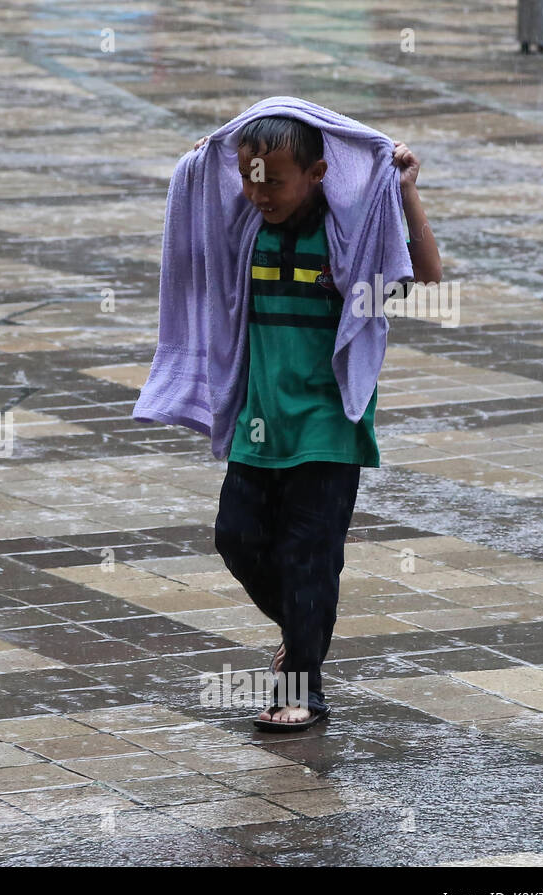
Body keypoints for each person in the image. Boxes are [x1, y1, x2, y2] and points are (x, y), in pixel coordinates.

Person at [191, 117, 441, 730]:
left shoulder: (348, 240)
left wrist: (406, 188)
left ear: (318, 174)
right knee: (236, 536)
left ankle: (302, 686)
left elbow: (428, 276)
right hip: (260, 423)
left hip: (329, 427)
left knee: (308, 554)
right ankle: (302, 631)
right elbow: (194, 230)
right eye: (250, 180)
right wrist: (204, 171)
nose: (261, 194)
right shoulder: (246, 231)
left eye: (275, 182)